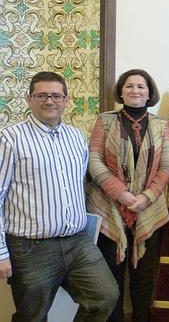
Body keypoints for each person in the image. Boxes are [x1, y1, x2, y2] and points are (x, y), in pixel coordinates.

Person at [0, 71, 119, 321]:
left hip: (77, 242)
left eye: (56, 95)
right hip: (30, 248)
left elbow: (85, 183)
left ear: (66, 100)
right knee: (32, 315)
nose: (49, 101)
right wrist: (1, 253)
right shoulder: (9, 138)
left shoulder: (76, 138)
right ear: (29, 99)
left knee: (105, 297)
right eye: (41, 95)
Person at [86, 69, 169, 322]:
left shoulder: (161, 125)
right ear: (121, 92)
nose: (135, 91)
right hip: (109, 211)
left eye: (141, 87)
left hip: (149, 210)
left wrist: (145, 197)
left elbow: (166, 166)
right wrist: (122, 195)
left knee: (144, 282)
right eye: (129, 86)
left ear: (149, 93)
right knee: (111, 282)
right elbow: (95, 161)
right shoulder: (105, 121)